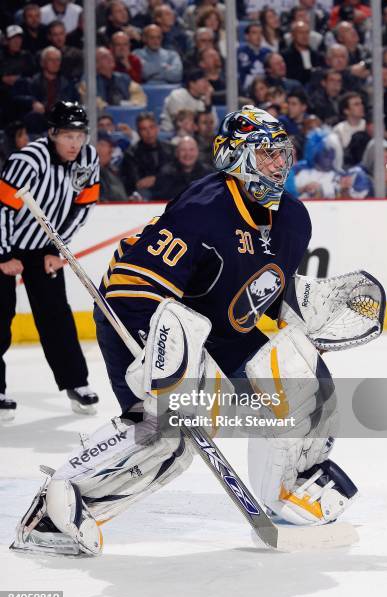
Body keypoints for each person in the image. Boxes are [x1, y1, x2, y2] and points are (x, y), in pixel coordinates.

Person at [11, 105, 363, 556]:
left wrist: (309, 317)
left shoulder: (294, 218)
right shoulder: (203, 211)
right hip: (146, 324)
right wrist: (156, 361)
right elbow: (130, 289)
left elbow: (268, 295)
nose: (279, 164)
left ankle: (289, 489)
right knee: (169, 434)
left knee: (304, 376)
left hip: (223, 335)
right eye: (267, 154)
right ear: (235, 158)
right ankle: (54, 516)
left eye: (283, 153)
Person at [0, 101, 99, 421]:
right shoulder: (27, 160)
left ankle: (76, 383)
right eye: (68, 135)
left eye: (79, 135)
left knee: (57, 316)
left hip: (44, 248)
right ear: (53, 133)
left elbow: (84, 207)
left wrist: (57, 250)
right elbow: (1, 209)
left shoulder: (88, 158)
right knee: (0, 318)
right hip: (6, 244)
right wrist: (3, 255)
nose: (75, 143)